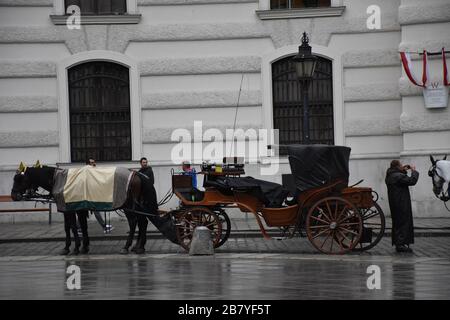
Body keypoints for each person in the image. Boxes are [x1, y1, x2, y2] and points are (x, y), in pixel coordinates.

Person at [385, 160, 419, 253]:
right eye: (400, 165)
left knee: (397, 223)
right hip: (401, 202)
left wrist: (403, 170)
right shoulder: (398, 176)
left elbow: (401, 177)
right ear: (397, 166)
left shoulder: (390, 175)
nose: (402, 166)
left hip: (395, 203)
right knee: (403, 222)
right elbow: (412, 181)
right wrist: (414, 171)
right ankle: (400, 245)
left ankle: (399, 243)